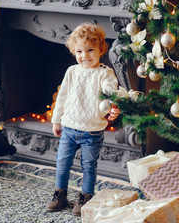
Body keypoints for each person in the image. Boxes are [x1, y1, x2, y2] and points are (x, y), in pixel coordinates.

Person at [46, 23, 120, 216]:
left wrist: (113, 103)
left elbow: (110, 91)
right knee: (62, 161)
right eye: (79, 51)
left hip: (92, 131)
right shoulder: (72, 71)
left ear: (100, 50)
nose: (84, 55)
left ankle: (86, 197)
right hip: (69, 128)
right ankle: (59, 194)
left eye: (90, 50)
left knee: (89, 165)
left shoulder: (105, 73)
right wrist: (56, 120)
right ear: (73, 52)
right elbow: (62, 96)